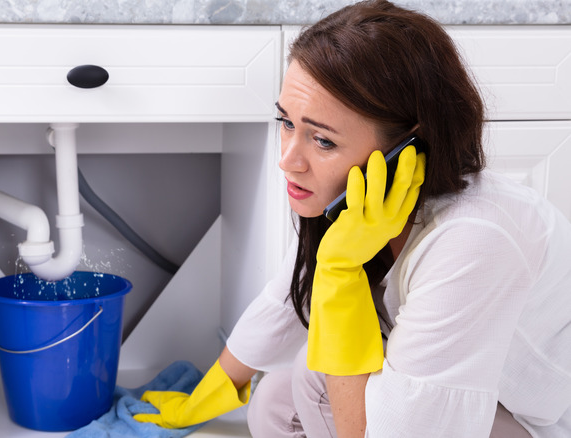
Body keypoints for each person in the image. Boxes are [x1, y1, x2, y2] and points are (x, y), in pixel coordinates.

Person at [133, 0, 571, 436]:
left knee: (313, 375)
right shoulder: (363, 208)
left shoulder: (475, 239)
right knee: (274, 400)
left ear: (406, 152)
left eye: (322, 140)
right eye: (285, 122)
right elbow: (284, 303)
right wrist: (203, 399)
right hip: (456, 395)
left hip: (527, 421)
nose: (288, 160)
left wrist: (339, 275)